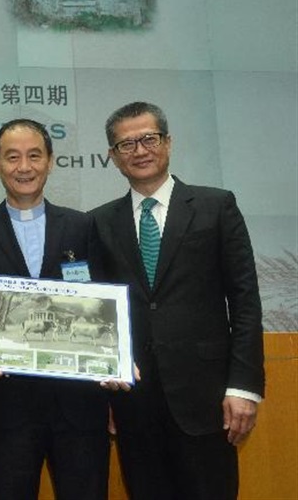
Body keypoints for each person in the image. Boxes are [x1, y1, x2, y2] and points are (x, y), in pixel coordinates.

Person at [90, 101, 265, 499]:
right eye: (126, 144)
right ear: (113, 157)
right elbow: (99, 310)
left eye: (148, 139)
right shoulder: (99, 222)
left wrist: (243, 388)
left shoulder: (215, 206)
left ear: (168, 142)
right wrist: (106, 393)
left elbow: (245, 301)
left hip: (207, 400)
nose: (140, 151)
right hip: (135, 404)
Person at [0, 119, 110, 499]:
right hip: (7, 407)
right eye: (12, 157)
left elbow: (102, 302)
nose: (24, 167)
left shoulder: (82, 226)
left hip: (78, 407)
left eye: (34, 156)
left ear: (50, 162)